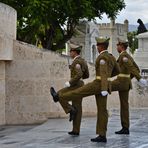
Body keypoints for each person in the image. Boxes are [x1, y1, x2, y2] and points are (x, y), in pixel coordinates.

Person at [50, 37, 120, 142]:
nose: (96, 47)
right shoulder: (111, 57)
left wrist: (104, 86)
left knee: (78, 92)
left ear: (101, 46)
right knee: (102, 110)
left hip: (99, 84)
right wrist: (108, 81)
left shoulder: (102, 58)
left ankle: (58, 96)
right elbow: (117, 70)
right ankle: (102, 135)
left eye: (97, 45)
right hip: (104, 84)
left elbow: (104, 73)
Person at [51, 43, 89, 136]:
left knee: (59, 95)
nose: (69, 53)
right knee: (78, 107)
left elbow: (79, 74)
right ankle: (76, 130)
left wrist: (70, 82)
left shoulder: (76, 62)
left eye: (70, 51)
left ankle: (70, 109)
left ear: (74, 52)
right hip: (80, 84)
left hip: (75, 85)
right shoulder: (82, 61)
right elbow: (86, 75)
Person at [111, 39, 147, 135]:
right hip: (125, 83)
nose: (116, 47)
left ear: (121, 46)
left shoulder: (124, 56)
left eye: (117, 45)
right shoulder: (127, 56)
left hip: (121, 82)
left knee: (104, 87)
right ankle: (125, 127)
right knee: (124, 106)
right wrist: (128, 78)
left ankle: (125, 127)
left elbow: (132, 68)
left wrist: (139, 79)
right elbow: (137, 68)